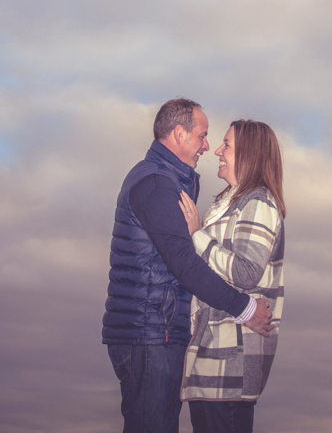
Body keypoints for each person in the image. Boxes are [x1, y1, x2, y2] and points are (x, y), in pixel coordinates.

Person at [103, 98, 273, 433]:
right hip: (151, 334)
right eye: (203, 135)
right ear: (179, 135)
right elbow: (183, 263)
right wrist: (245, 308)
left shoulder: (164, 181)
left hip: (153, 333)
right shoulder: (157, 184)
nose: (208, 147)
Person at [177, 119, 286, 433]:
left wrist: (197, 235)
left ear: (249, 155)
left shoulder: (259, 203)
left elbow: (246, 272)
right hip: (211, 356)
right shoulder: (228, 203)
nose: (218, 152)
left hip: (232, 363)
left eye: (227, 145)